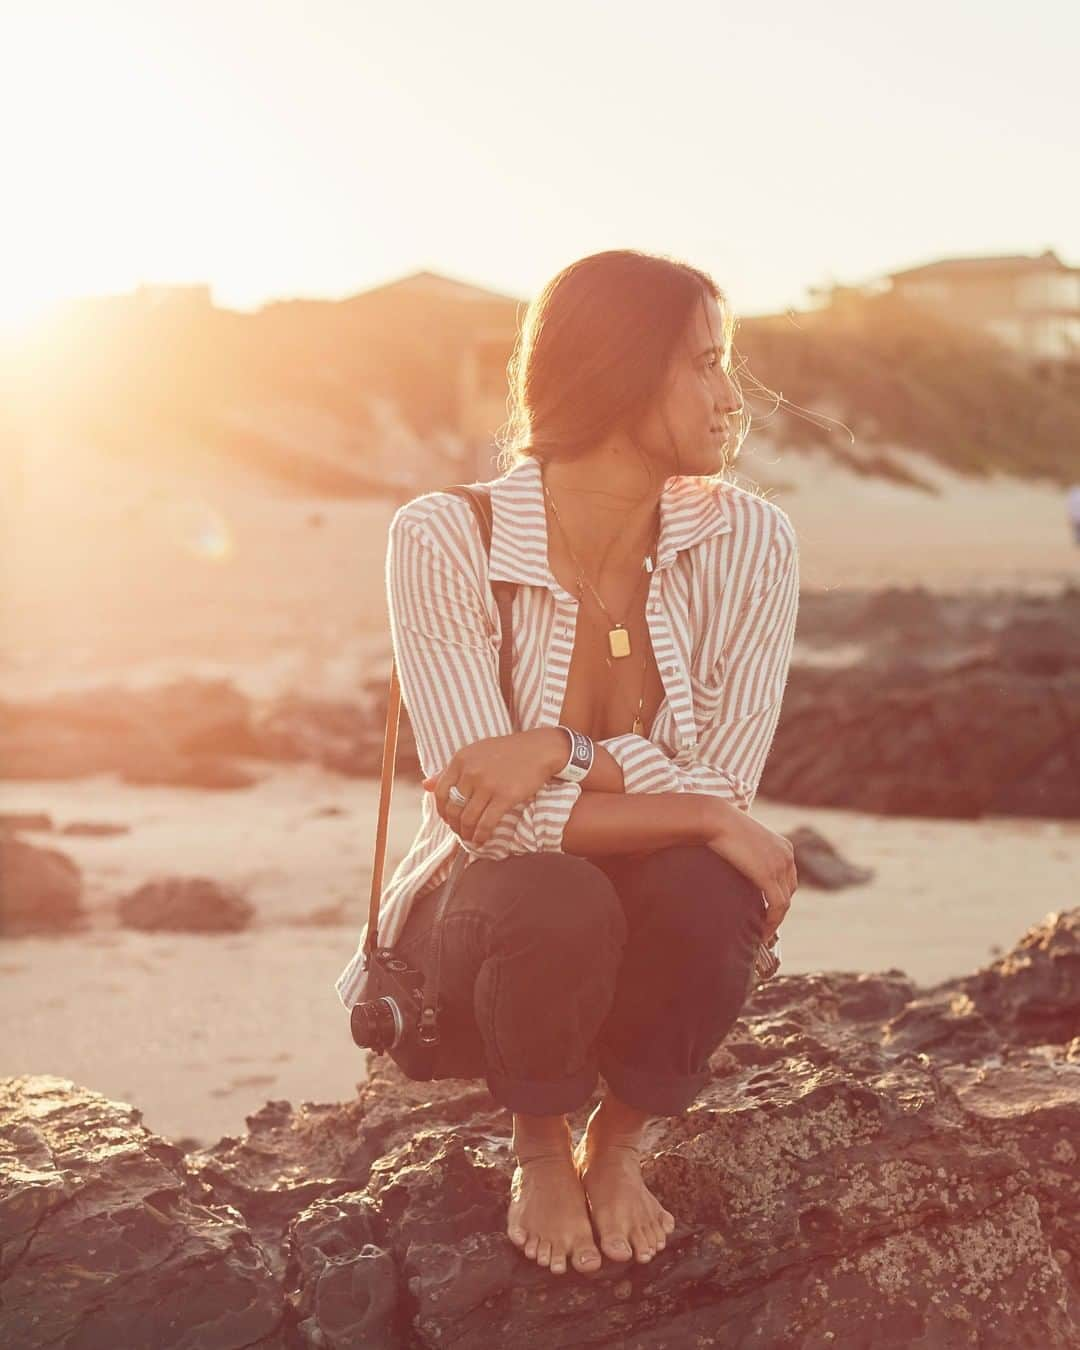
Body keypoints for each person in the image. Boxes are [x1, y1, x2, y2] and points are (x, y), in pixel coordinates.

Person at [335, 249, 800, 1279]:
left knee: (706, 883)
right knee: (554, 888)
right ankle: (537, 1144)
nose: (733, 398)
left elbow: (721, 783)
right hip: (486, 946)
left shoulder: (751, 542)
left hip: (643, 938)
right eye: (706, 365)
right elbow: (489, 822)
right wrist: (699, 808)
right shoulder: (445, 538)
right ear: (617, 372)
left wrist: (562, 748)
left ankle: (619, 1139)